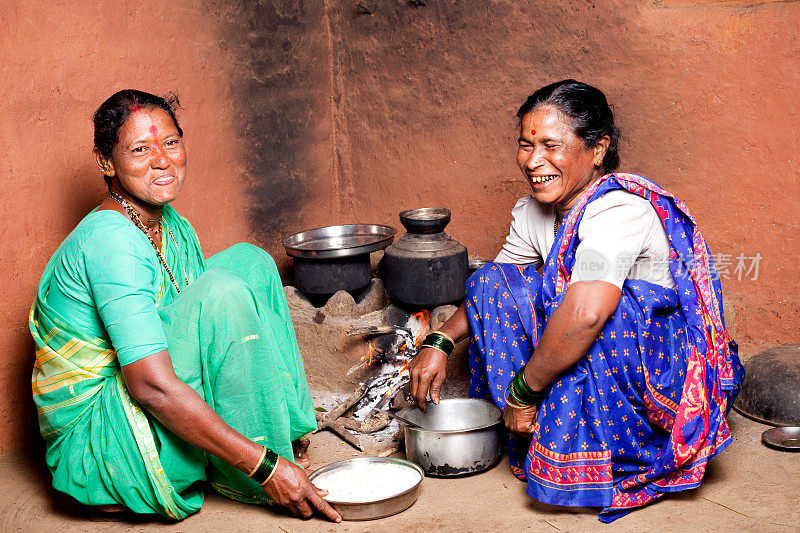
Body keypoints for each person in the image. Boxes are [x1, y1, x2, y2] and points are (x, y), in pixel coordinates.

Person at [409, 80, 743, 522]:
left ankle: (614, 453)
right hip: (592, 351)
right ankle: (549, 431)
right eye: (525, 145)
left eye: (551, 145)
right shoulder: (534, 211)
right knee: (493, 280)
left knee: (598, 311)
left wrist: (523, 390)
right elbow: (492, 293)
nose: (533, 161)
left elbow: (586, 315)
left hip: (652, 368)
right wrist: (439, 341)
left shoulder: (620, 210)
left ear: (598, 148)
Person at [29, 90, 341, 522]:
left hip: (142, 391)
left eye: (170, 143)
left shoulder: (166, 221)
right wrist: (264, 468)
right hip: (105, 442)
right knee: (223, 293)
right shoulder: (111, 240)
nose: (162, 160)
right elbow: (150, 386)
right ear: (106, 163)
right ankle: (258, 464)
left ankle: (280, 432)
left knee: (248, 263)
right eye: (140, 149)